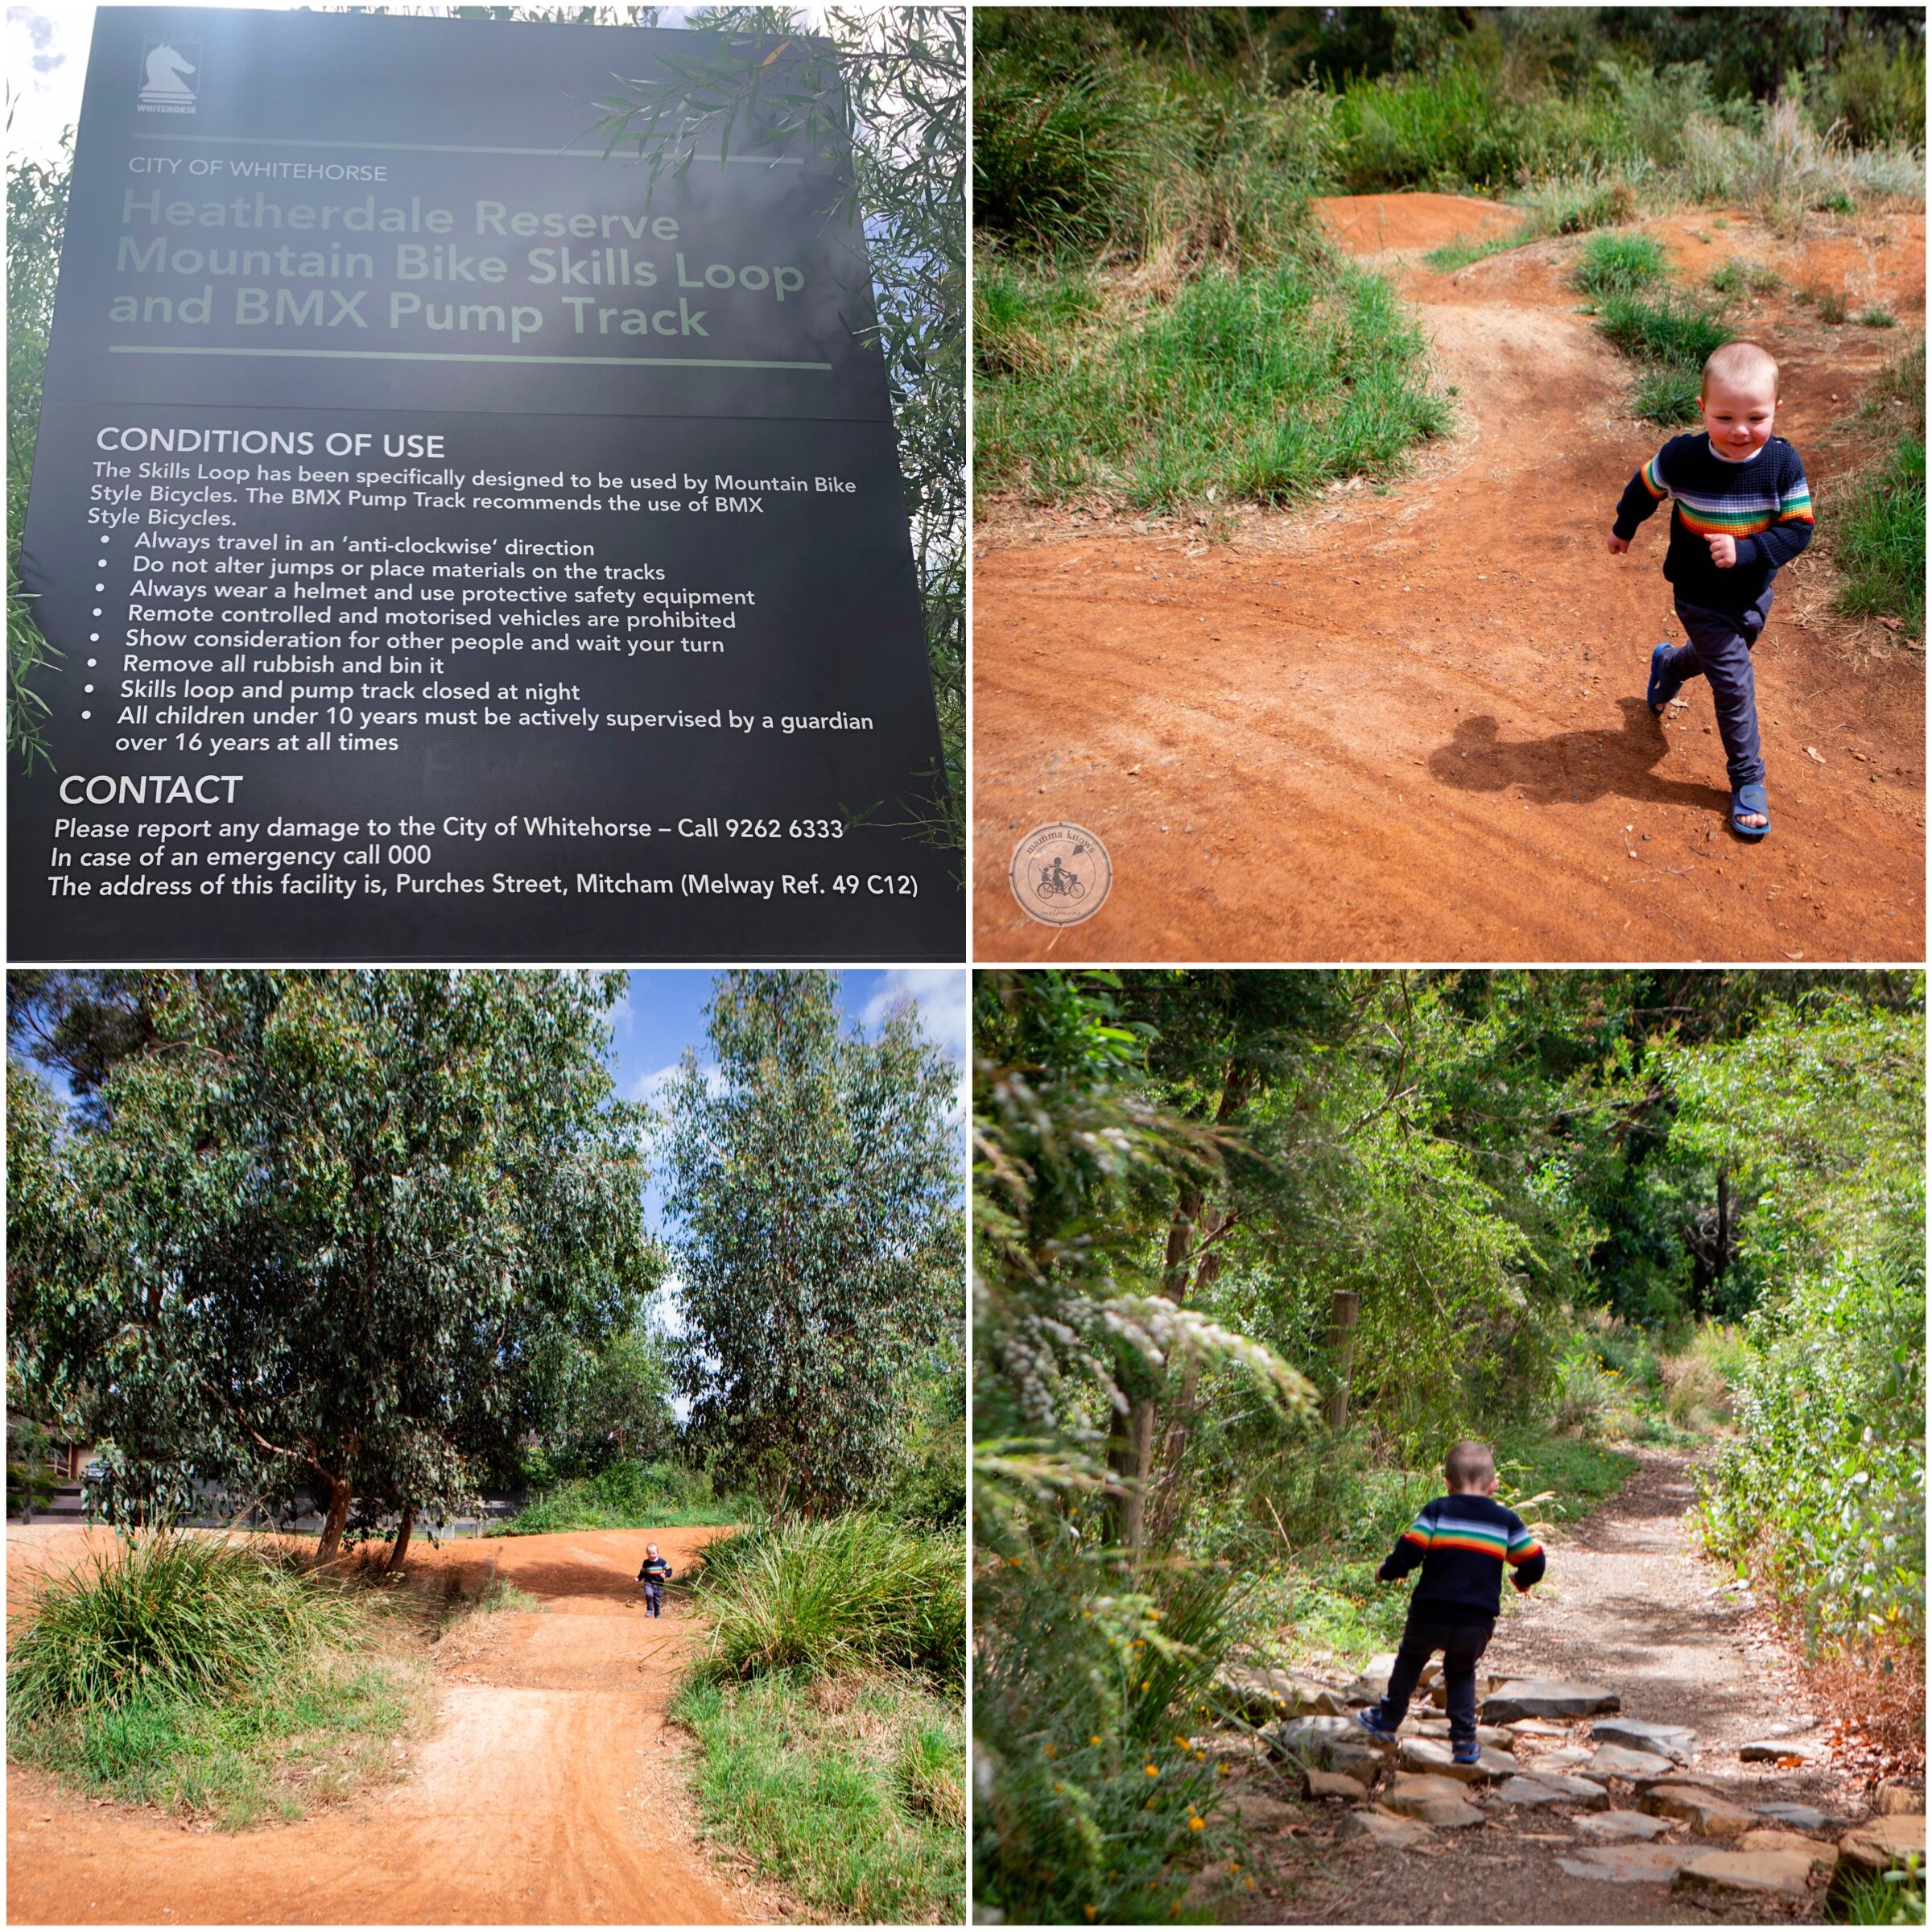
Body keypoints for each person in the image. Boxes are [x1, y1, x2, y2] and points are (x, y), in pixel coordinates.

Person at [1607, 339, 1814, 841]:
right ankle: (1747, 780)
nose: (1740, 431)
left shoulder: (1783, 465)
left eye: (1756, 418)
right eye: (1724, 418)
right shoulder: (1682, 456)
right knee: (1734, 680)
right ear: (1703, 410)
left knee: (1724, 652)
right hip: (1698, 592)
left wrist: (1748, 552)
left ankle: (1670, 664)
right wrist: (1624, 526)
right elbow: (1644, 487)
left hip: (1753, 591)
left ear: (1776, 412)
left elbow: (1799, 528)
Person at [1352, 1439, 1544, 1764]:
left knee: (1410, 1661)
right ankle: (1464, 1743)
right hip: (1475, 1623)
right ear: (1493, 1486)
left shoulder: (1437, 1510)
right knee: (1462, 1672)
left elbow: (1409, 1552)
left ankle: (1387, 1720)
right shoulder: (1505, 1522)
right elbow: (1535, 1562)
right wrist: (1521, 1580)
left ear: (1447, 1483)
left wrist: (1387, 1571)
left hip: (1430, 1613)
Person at [637, 1543, 673, 1616]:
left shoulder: (662, 1562)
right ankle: (650, 1610)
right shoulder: (646, 1562)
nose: (652, 1555)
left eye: (654, 1553)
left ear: (657, 1552)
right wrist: (638, 1578)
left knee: (657, 1600)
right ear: (647, 1554)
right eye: (649, 1554)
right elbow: (643, 1572)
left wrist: (665, 1575)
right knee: (649, 1594)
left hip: (658, 1585)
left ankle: (657, 1614)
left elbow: (670, 1570)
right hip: (648, 1583)